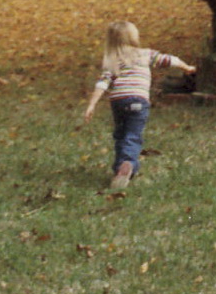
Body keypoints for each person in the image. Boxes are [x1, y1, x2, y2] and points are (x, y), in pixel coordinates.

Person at [79, 20, 194, 190]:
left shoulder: (113, 60)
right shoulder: (146, 54)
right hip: (139, 101)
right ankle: (127, 164)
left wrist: (91, 105)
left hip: (118, 101)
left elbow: (102, 83)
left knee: (121, 135)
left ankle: (120, 170)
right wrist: (187, 68)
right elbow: (171, 60)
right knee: (133, 135)